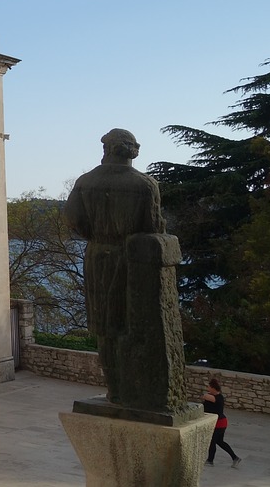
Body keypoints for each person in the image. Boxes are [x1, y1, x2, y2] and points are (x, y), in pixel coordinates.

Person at [63, 129, 188, 414]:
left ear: (106, 148)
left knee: (105, 327)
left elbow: (73, 219)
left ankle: (116, 389)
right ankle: (137, 387)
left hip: (97, 257)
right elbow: (154, 227)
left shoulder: (86, 182)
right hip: (132, 260)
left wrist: (96, 234)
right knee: (133, 325)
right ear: (134, 150)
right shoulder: (145, 185)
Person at [203, 378, 241, 468]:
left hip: (218, 423)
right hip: (222, 422)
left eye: (209, 387)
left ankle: (210, 461)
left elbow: (205, 396)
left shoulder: (216, 398)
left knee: (212, 441)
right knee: (220, 442)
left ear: (213, 388)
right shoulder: (217, 397)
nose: (207, 388)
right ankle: (235, 458)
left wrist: (207, 394)